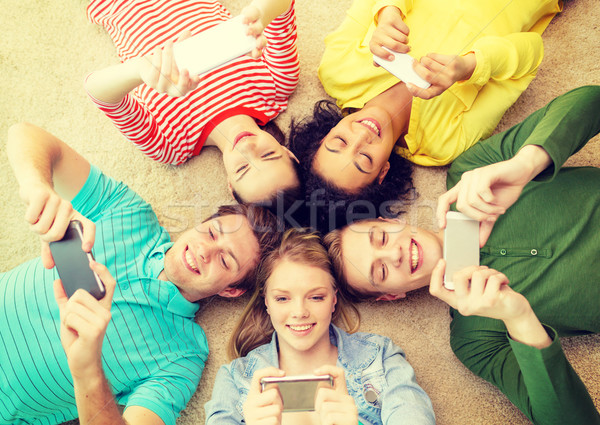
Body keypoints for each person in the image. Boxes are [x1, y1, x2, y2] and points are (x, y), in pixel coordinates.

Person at [323, 85, 600, 424]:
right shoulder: (474, 341)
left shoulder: (473, 172)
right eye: (380, 271)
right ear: (392, 296)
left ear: (389, 219)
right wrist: (518, 316)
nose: (392, 254)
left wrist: (526, 164)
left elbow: (592, 100)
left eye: (380, 237)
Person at [0, 122, 281, 425]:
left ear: (231, 290)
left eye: (226, 261)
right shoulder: (128, 210)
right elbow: (24, 134)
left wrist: (87, 368)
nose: (204, 251)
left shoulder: (184, 356)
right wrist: (38, 187)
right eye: (212, 233)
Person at [290, 0, 562, 232]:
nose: (362, 134)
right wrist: (469, 65)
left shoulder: (337, 70)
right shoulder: (443, 143)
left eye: (338, 142)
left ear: (324, 134)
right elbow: (532, 51)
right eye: (364, 158)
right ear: (383, 172)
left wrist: (387, 12)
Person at [204, 228, 435, 424]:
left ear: (334, 299)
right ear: (266, 301)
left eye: (316, 297)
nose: (300, 312)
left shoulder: (381, 357)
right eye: (282, 298)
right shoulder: (235, 378)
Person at [84, 0, 301, 205]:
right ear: (289, 153)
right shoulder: (277, 84)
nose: (247, 148)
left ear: (230, 186)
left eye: (242, 169)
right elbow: (283, 7)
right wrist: (261, 13)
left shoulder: (169, 145)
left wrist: (141, 69)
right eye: (268, 154)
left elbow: (96, 91)